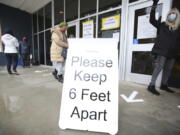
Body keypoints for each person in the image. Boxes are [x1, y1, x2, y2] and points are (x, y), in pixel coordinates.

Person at [147, 0, 180, 96]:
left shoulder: (178, 29)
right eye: (170, 14)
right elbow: (152, 20)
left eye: (174, 14)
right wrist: (154, 5)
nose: (172, 15)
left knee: (168, 69)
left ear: (177, 17)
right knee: (159, 67)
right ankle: (151, 85)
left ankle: (164, 85)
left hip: (173, 52)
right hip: (162, 51)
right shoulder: (162, 25)